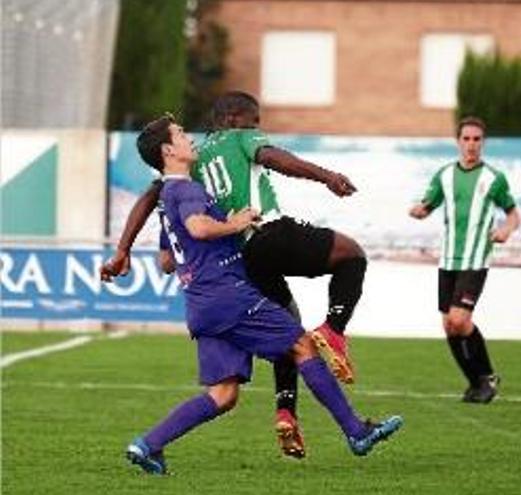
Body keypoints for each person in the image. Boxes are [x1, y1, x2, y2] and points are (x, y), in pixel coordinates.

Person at [124, 115, 402, 475]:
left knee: (224, 395)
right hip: (228, 297)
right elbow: (198, 226)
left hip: (200, 304)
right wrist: (234, 224)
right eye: (180, 135)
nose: (188, 138)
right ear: (168, 151)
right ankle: (356, 432)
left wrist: (212, 247)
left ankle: (147, 444)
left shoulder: (166, 198)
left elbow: (166, 261)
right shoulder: (188, 189)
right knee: (303, 344)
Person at [408, 116, 521, 404]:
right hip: (448, 259)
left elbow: (513, 214)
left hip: (475, 259)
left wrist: (506, 230)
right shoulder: (444, 175)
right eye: (467, 139)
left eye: (477, 139)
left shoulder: (494, 179)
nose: (471, 144)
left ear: (483, 142)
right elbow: (428, 204)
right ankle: (476, 384)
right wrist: (419, 210)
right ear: (458, 141)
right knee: (449, 325)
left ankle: (488, 376)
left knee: (460, 319)